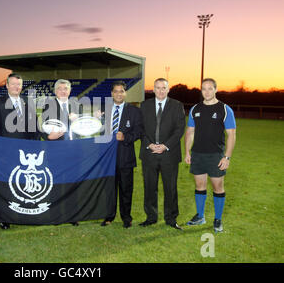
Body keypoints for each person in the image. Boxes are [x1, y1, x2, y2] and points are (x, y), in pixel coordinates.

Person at [184, 78, 236, 233]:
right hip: (198, 154)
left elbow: (231, 135)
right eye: (203, 89)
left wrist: (226, 157)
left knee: (217, 187)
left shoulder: (225, 109)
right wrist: (187, 152)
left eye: (209, 88)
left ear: (215, 89)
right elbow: (190, 132)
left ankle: (218, 219)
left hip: (216, 155)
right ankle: (200, 216)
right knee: (199, 186)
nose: (206, 92)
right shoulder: (195, 108)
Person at [0, 73, 39, 229]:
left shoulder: (28, 103)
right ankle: (4, 217)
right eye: (13, 84)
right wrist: (0, 151)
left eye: (19, 84)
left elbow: (35, 129)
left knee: (23, 184)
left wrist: (34, 148)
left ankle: (22, 214)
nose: (16, 87)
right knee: (5, 185)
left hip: (26, 154)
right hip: (6, 154)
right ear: (7, 85)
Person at [139, 78, 185, 230]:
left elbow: (179, 129)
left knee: (170, 188)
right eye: (158, 88)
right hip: (149, 153)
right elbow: (140, 128)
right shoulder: (144, 105)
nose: (160, 91)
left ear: (168, 89)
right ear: (153, 89)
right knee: (149, 187)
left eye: (163, 88)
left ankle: (171, 219)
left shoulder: (177, 105)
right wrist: (149, 144)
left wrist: (165, 146)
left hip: (169, 155)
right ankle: (151, 217)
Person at [100, 81, 143, 228]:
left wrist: (125, 137)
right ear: (112, 93)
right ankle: (108, 216)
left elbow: (138, 132)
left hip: (125, 157)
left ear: (125, 93)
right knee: (109, 190)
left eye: (122, 91)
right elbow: (100, 133)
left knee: (126, 189)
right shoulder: (104, 109)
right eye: (116, 91)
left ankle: (126, 217)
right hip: (108, 159)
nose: (119, 94)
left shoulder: (134, 111)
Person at [41, 79, 82, 226]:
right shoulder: (48, 106)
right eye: (60, 88)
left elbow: (82, 128)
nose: (63, 91)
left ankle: (73, 216)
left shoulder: (76, 106)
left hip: (73, 151)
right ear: (55, 91)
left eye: (66, 88)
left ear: (70, 91)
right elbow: (42, 127)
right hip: (56, 151)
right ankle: (55, 215)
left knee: (72, 183)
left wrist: (77, 120)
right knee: (56, 183)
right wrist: (48, 137)